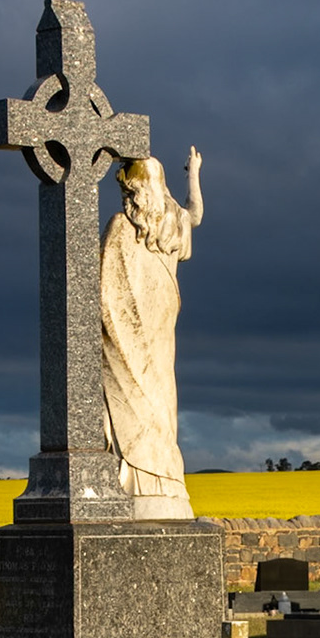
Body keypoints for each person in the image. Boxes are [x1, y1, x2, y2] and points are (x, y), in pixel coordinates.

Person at [99, 146, 204, 516]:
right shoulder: (172, 221)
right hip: (150, 320)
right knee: (150, 392)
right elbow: (197, 212)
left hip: (158, 321)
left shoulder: (134, 227)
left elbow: (106, 299)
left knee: (159, 394)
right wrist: (194, 173)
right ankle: (145, 477)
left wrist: (193, 173)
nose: (128, 200)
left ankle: (156, 477)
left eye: (131, 192)